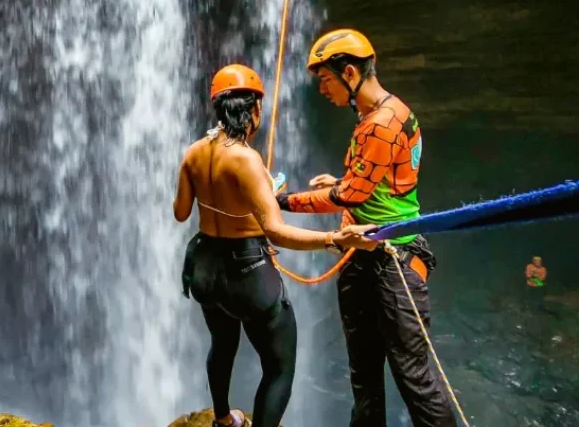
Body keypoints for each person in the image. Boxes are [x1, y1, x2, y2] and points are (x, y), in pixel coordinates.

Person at [173, 63, 379, 427]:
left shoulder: (193, 152)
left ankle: (222, 418)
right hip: (246, 272)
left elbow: (180, 212)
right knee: (280, 365)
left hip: (205, 268)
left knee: (221, 344)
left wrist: (231, 200)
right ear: (252, 109)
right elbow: (277, 232)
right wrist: (335, 238)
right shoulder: (247, 159)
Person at [275, 28, 457, 427]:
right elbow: (372, 183)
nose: (322, 89)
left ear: (351, 73)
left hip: (393, 261)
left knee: (413, 376)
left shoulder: (382, 123)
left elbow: (351, 196)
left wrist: (283, 202)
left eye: (325, 79)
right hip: (364, 254)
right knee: (364, 370)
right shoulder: (377, 115)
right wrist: (339, 184)